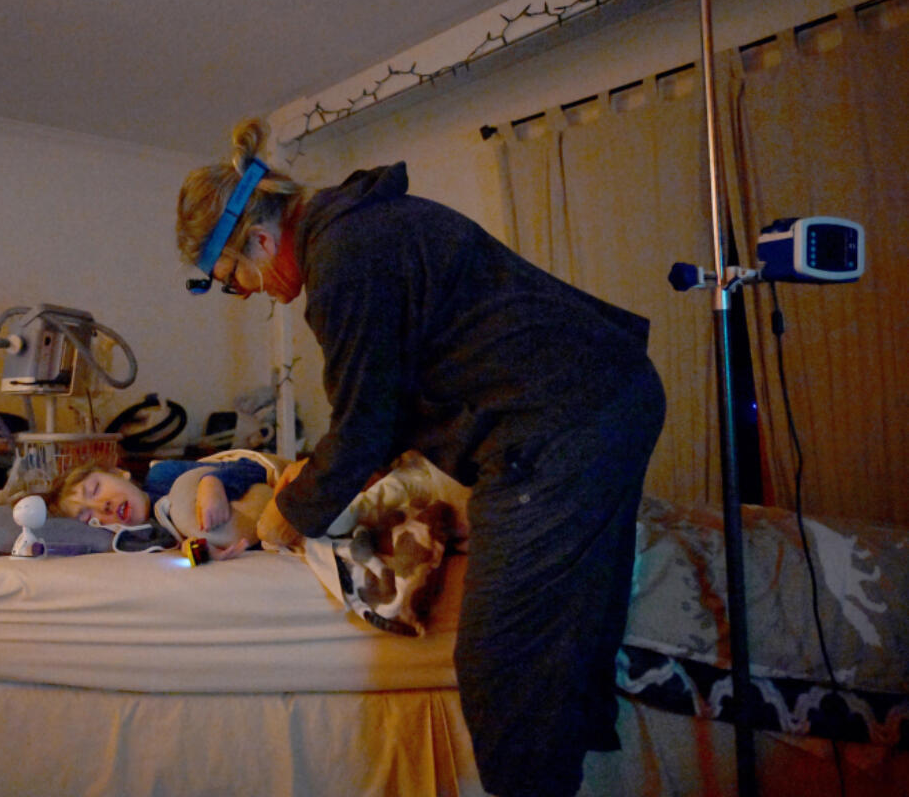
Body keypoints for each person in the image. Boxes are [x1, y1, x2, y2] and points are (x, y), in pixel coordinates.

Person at [175, 118, 666, 797]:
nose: (248, 293)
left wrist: (284, 514)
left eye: (233, 279)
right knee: (570, 627)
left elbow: (363, 425)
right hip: (608, 395)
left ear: (261, 238)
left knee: (501, 659)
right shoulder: (365, 230)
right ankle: (567, 760)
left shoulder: (344, 256)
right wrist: (320, 474)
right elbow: (389, 403)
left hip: (560, 422)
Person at [47, 452, 282, 559]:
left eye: (95, 489)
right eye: (88, 517)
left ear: (119, 473)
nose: (103, 506)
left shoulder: (162, 475)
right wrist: (202, 553)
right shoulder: (142, 542)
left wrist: (213, 482)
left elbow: (255, 468)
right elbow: (182, 552)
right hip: (244, 539)